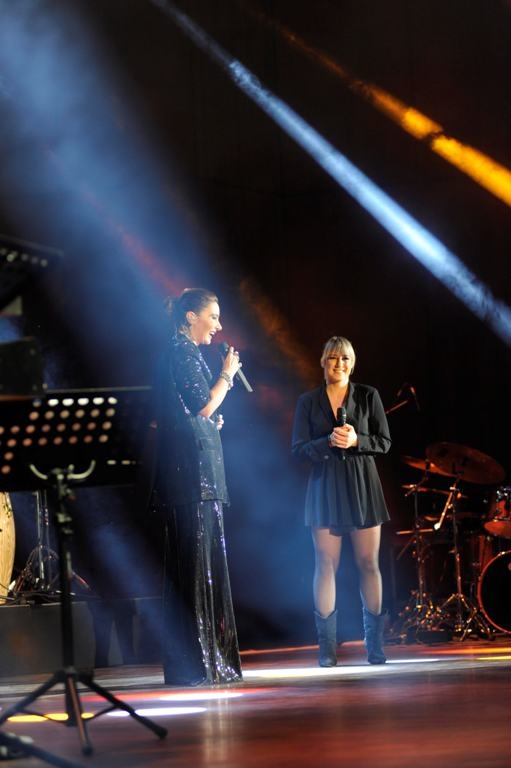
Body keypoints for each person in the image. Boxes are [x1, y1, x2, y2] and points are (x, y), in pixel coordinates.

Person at [153, 287, 243, 686]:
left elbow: (189, 411)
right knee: (195, 569)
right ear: (191, 317)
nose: (218, 325)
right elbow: (202, 404)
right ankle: (196, 664)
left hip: (194, 471)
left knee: (198, 567)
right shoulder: (182, 351)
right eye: (213, 316)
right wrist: (226, 374)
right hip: (192, 475)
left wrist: (208, 420)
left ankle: (198, 663)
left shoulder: (184, 352)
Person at [291, 336, 391, 666]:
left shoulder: (368, 395)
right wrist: (327, 442)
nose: (339, 364)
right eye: (333, 358)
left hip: (362, 483)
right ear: (323, 362)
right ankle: (327, 649)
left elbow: (384, 441)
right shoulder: (308, 401)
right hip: (325, 482)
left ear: (353, 363)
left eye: (345, 358)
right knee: (325, 563)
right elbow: (298, 449)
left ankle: (375, 645)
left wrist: (357, 439)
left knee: (368, 563)